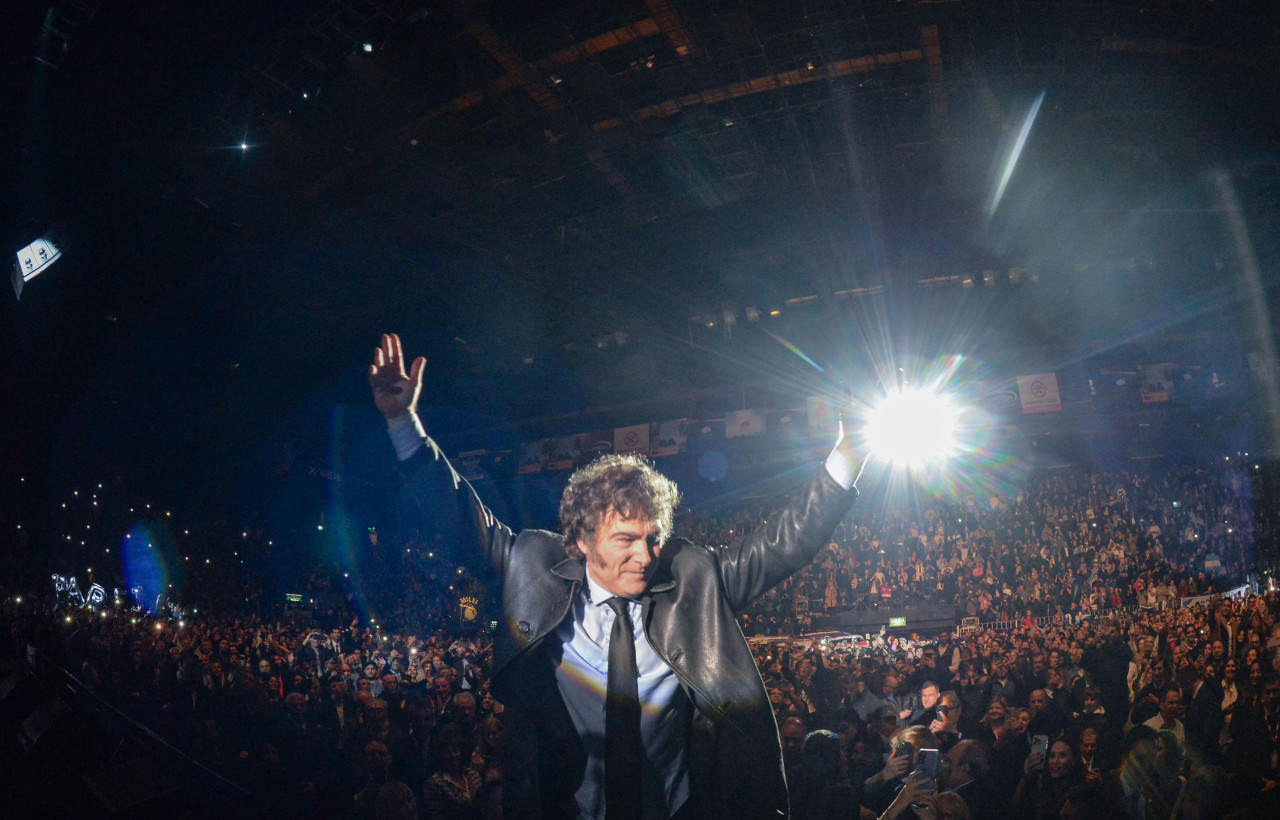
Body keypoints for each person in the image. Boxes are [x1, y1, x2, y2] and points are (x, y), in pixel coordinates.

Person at [370, 333, 861, 819]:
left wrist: (850, 455)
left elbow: (786, 542)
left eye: (652, 537)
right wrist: (403, 423)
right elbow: (458, 517)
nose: (644, 556)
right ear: (581, 541)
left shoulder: (695, 577)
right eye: (624, 539)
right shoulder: (532, 564)